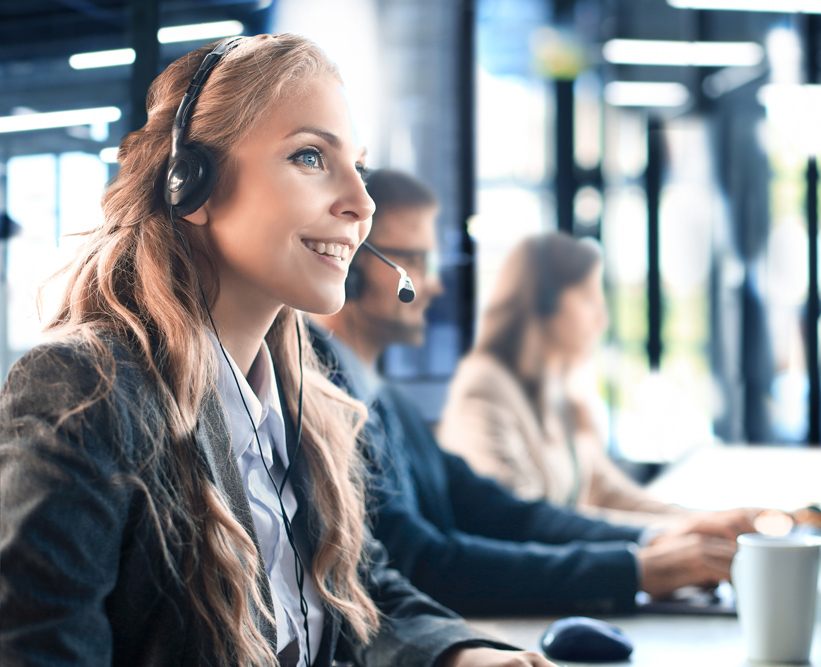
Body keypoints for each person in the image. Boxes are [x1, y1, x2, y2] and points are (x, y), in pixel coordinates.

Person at [0, 35, 554, 667]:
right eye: (311, 157)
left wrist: (463, 656)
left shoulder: (301, 401)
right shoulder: (84, 389)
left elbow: (351, 592)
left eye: (359, 168)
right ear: (193, 185)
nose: (362, 204)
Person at [310, 169, 755, 618]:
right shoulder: (323, 398)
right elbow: (423, 564)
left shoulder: (388, 398)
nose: (433, 285)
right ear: (352, 264)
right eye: (416, 261)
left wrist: (657, 540)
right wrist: (635, 570)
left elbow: (503, 512)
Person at [437, 232, 726, 528]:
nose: (601, 319)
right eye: (589, 299)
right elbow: (519, 518)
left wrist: (704, 521)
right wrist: (677, 533)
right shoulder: (485, 388)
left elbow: (605, 491)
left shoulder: (556, 388)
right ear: (543, 302)